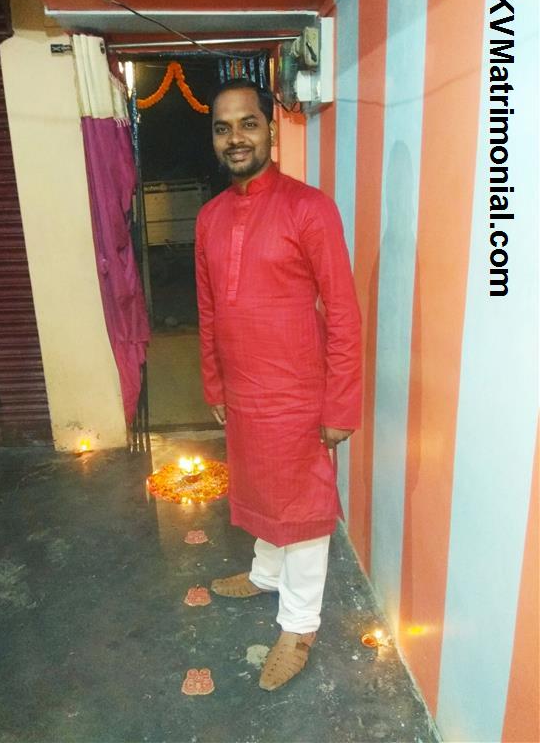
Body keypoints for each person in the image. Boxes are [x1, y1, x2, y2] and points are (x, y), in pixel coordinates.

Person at [195, 79, 362, 691]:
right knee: (262, 486)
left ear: (270, 129)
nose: (235, 138)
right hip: (244, 390)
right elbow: (209, 311)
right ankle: (267, 573)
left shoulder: (309, 208)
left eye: (248, 123)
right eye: (223, 127)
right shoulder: (210, 217)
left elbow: (343, 312)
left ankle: (299, 626)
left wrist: (341, 403)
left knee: (305, 508)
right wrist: (215, 385)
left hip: (298, 393)